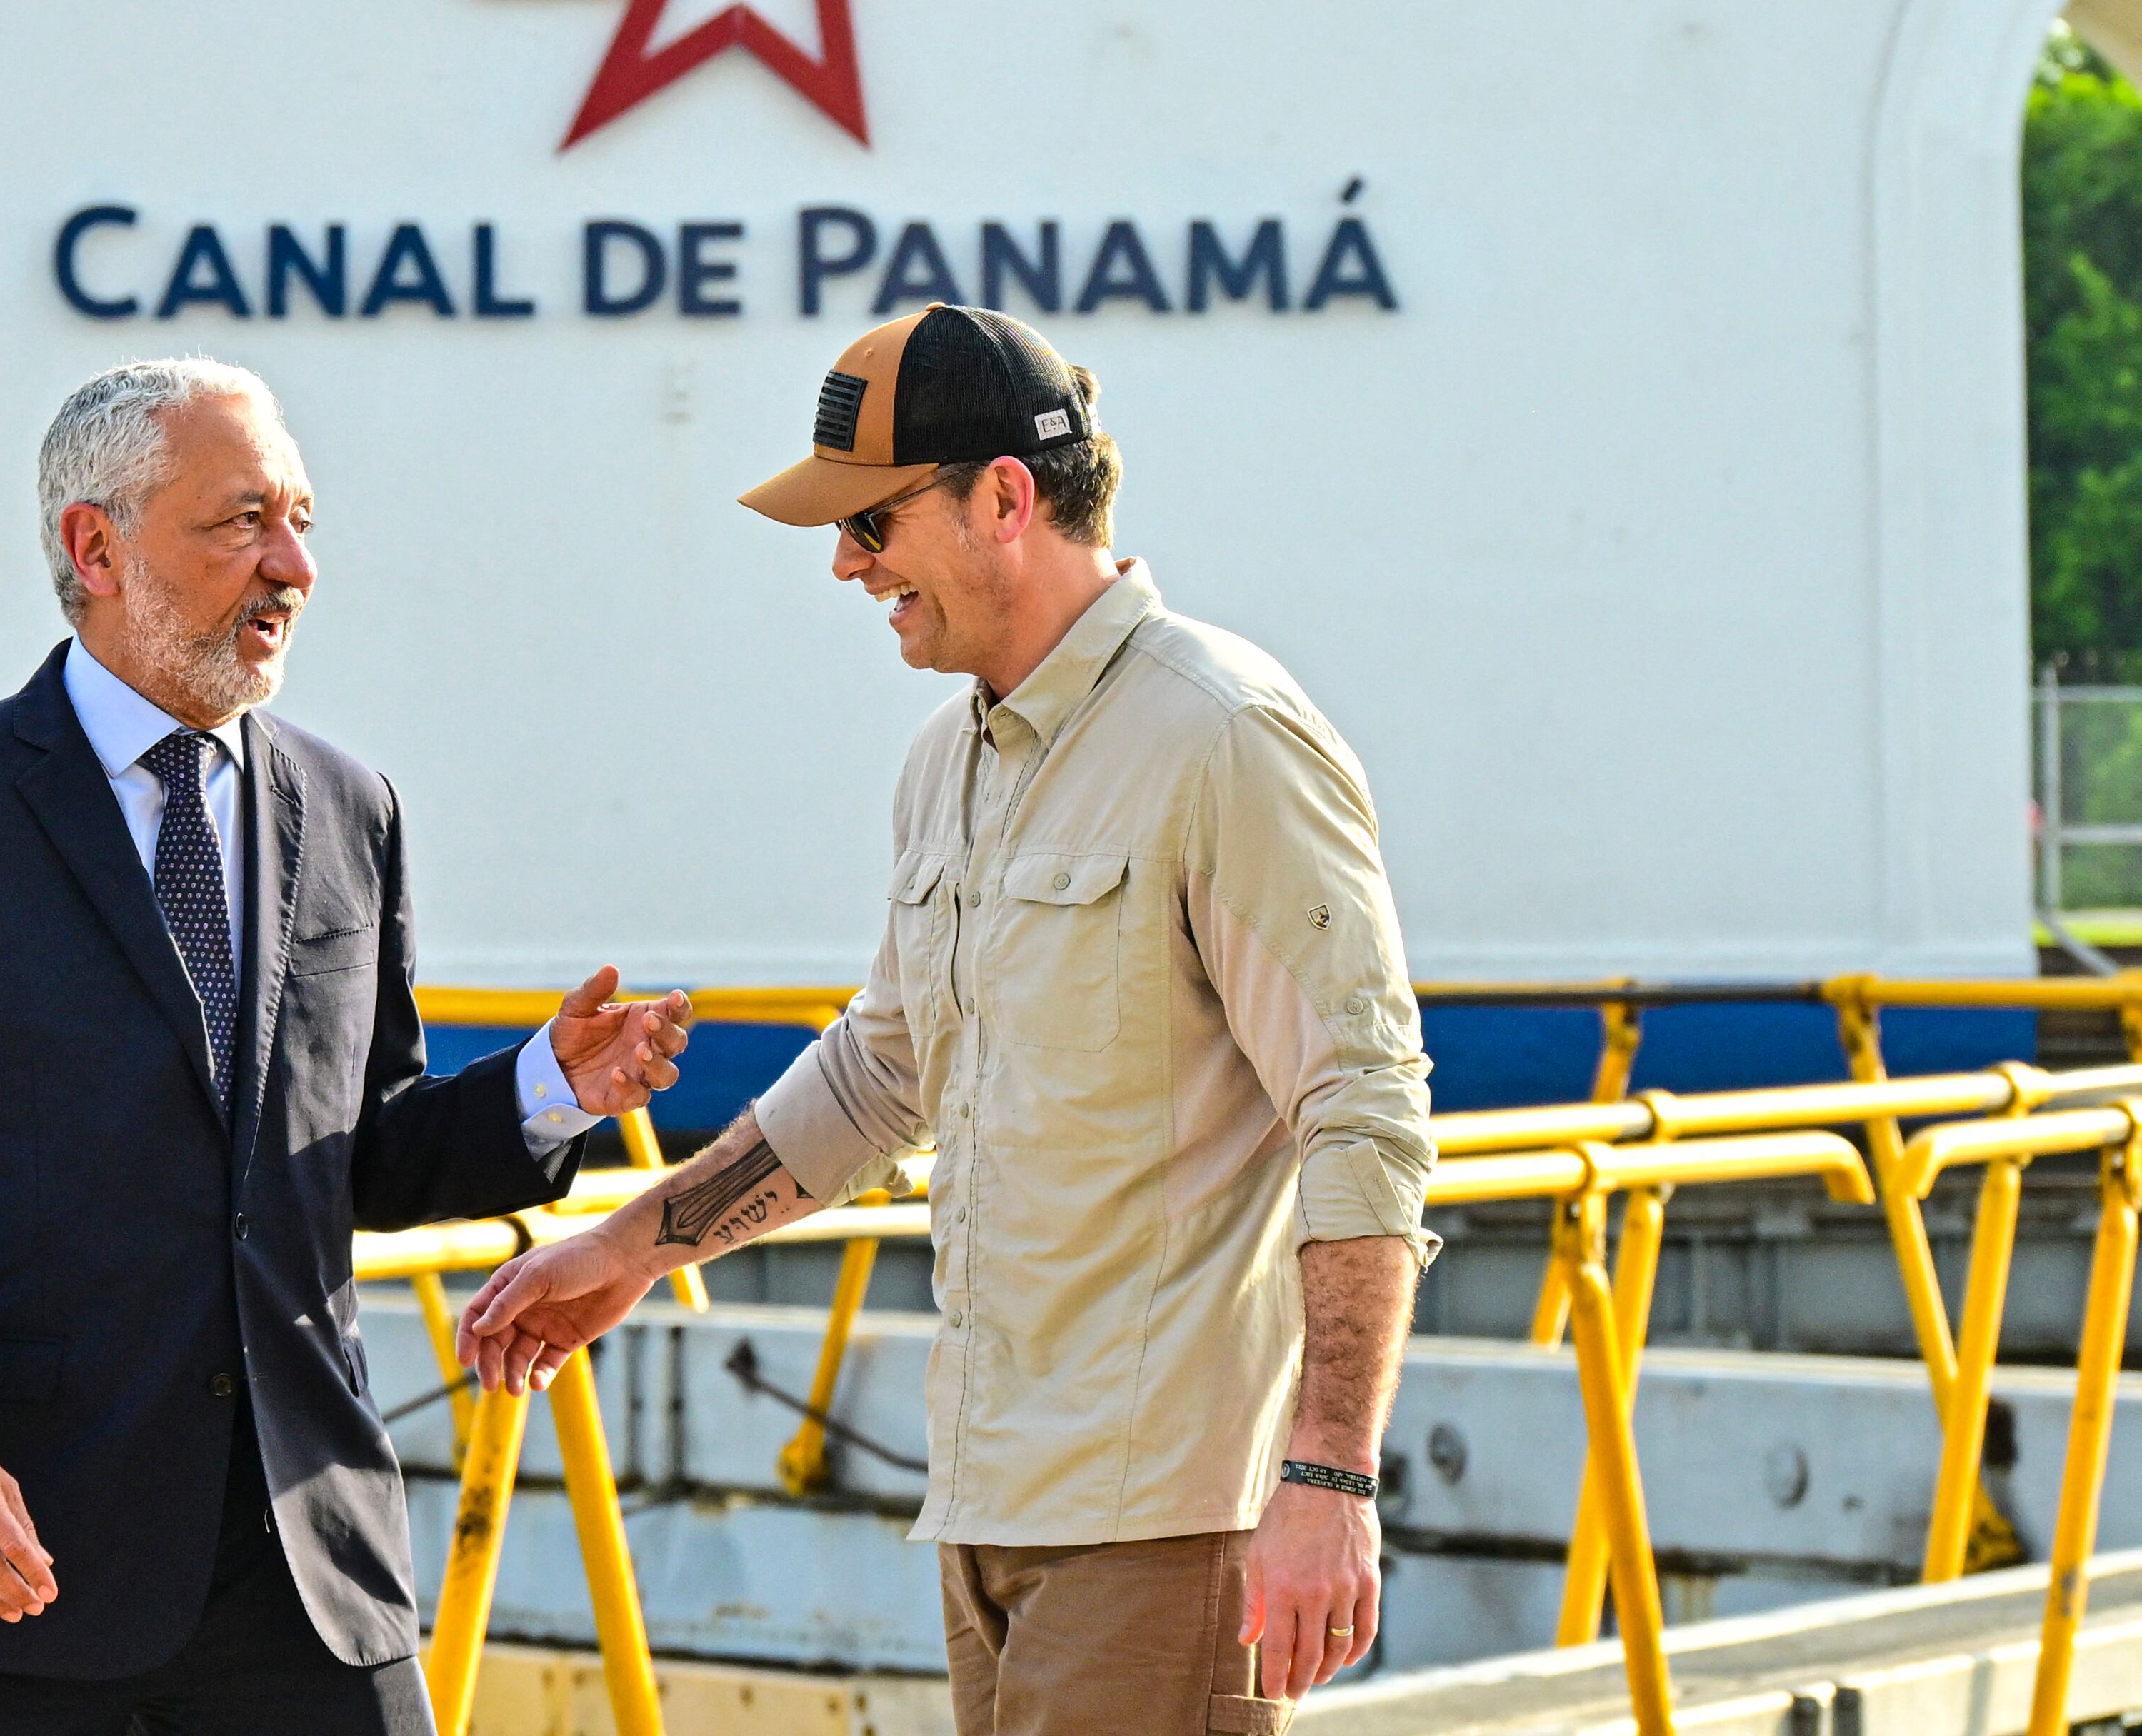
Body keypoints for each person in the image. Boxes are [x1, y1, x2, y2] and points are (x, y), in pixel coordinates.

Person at [456, 306, 1437, 1735]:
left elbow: (1362, 1105)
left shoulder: (1223, 733)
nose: (847, 566)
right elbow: (878, 1076)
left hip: (1157, 1517)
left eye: (870, 522)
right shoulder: (947, 763)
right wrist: (631, 1244)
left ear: (1002, 498)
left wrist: (1329, 1476)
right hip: (986, 1500)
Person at [0, 357, 691, 1735]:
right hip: (4, 1585)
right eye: (242, 522)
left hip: (308, 1587)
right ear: (96, 545)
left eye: (301, 518)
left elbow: (347, 1151)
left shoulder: (349, 805)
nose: (294, 565)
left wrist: (550, 1090)